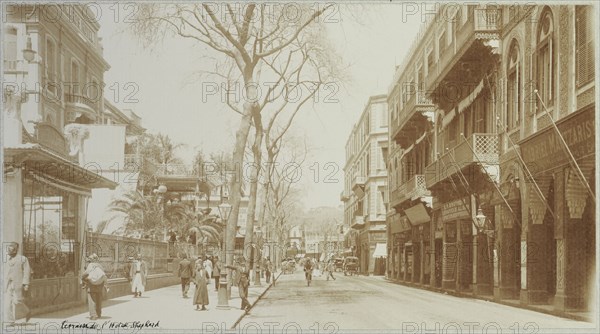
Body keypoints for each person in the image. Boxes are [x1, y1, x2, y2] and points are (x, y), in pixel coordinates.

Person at [4, 242, 31, 325]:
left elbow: (27, 271)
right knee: (7, 303)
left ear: (15, 250)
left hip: (18, 284)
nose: (9, 252)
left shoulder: (23, 259)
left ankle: (27, 312)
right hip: (8, 284)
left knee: (17, 301)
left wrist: (26, 284)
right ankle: (10, 321)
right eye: (8, 250)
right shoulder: (7, 260)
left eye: (11, 250)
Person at [81, 253, 107, 320]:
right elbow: (103, 274)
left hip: (92, 286)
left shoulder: (90, 265)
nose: (89, 261)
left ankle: (93, 315)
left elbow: (86, 273)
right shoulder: (100, 265)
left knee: (92, 300)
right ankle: (99, 313)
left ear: (91, 259)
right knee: (99, 299)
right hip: (100, 285)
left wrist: (82, 277)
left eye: (89, 259)